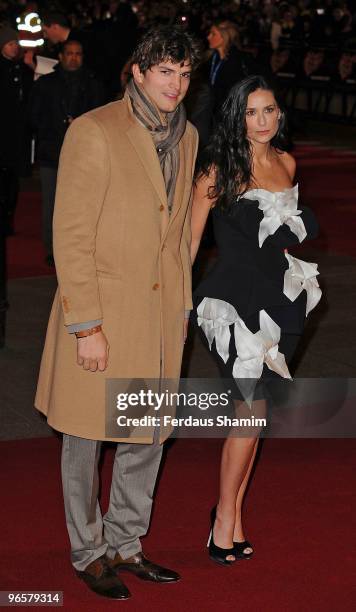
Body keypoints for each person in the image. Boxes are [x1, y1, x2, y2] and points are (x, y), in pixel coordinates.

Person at [35, 26, 200, 600]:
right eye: (165, 73)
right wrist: (87, 326)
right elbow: (71, 235)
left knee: (146, 437)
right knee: (85, 439)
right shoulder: (95, 129)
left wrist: (181, 306)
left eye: (183, 74)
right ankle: (89, 551)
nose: (175, 85)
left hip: (157, 314)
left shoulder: (188, 137)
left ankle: (127, 541)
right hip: (103, 313)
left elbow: (177, 234)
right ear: (137, 71)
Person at [190, 75, 321, 565]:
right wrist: (181, 306)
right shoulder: (218, 170)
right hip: (233, 302)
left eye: (269, 110)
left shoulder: (287, 162)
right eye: (252, 112)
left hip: (282, 298)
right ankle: (222, 520)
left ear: (280, 114)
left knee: (258, 416)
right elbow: (189, 242)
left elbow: (284, 237)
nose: (262, 121)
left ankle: (234, 516)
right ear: (236, 117)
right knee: (249, 412)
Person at [30, 39, 106, 265]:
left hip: (84, 155)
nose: (73, 57)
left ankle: (80, 247)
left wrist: (80, 125)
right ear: (61, 56)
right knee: (51, 205)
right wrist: (58, 126)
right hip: (51, 153)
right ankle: (52, 249)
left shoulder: (94, 84)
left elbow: (102, 117)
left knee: (84, 204)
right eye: (69, 53)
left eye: (78, 54)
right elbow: (33, 117)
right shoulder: (45, 84)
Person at [0, 26, 33, 235]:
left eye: (15, 43)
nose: (14, 47)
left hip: (16, 133)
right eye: (10, 44)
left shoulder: (22, 70)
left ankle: (9, 217)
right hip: (3, 132)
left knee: (13, 179)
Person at [206, 20, 258, 114]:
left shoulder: (236, 60)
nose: (208, 37)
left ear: (224, 37)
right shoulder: (213, 58)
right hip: (215, 109)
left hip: (230, 112)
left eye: (213, 34)